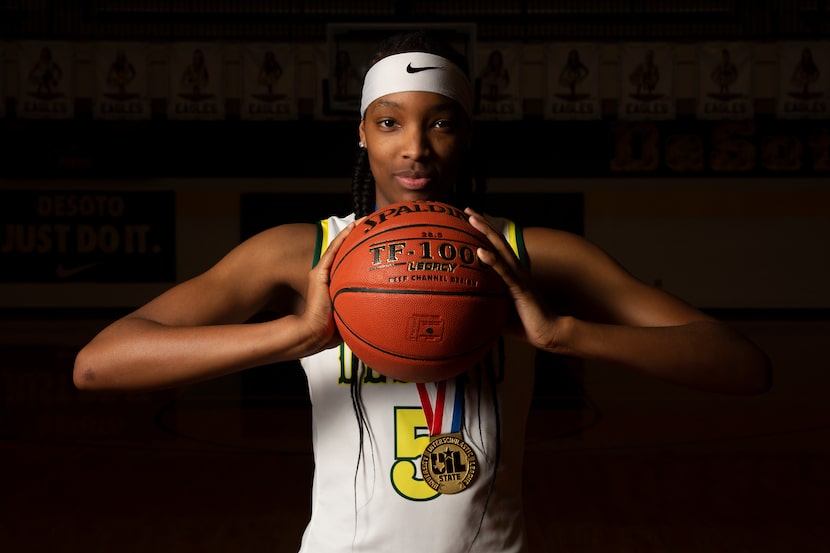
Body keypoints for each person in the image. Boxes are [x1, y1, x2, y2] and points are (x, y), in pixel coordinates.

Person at [74, 31, 771, 552]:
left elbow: (741, 365)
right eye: (390, 121)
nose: (416, 147)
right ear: (362, 134)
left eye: (440, 120)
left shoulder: (532, 253)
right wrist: (294, 335)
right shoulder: (303, 252)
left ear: (467, 133)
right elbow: (100, 362)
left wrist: (563, 333)